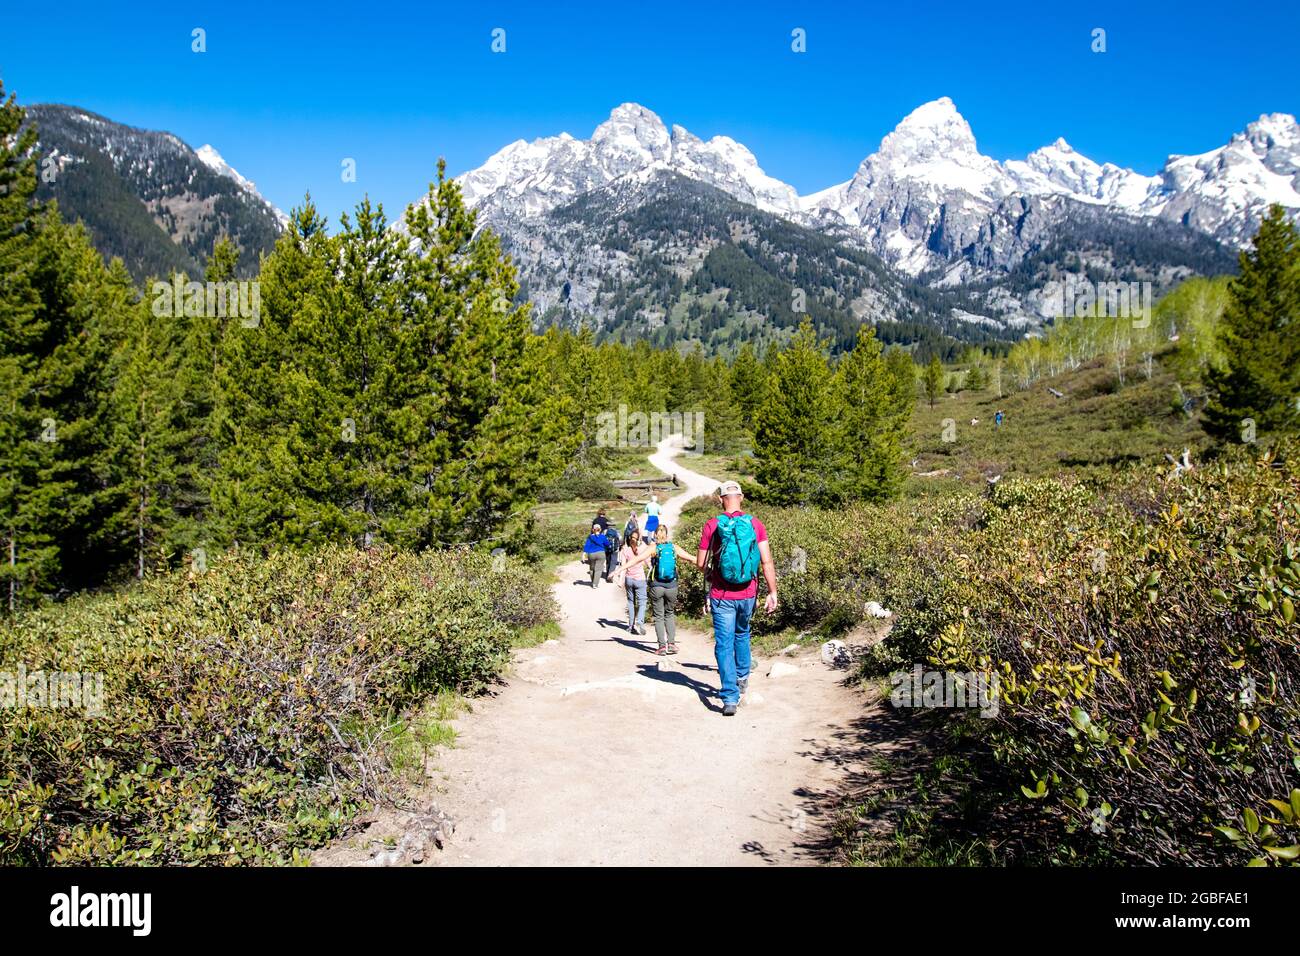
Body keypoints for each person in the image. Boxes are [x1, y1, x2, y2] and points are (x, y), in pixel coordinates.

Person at [695, 480, 778, 717]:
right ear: (741, 497)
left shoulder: (712, 525)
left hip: (721, 595)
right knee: (742, 634)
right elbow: (766, 561)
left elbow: (701, 563)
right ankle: (743, 679)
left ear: (721, 499)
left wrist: (711, 573)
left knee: (723, 643)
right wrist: (773, 592)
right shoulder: (755, 524)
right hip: (748, 593)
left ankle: (729, 697)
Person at [621, 524, 693, 655]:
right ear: (667, 535)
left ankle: (661, 647)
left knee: (659, 616)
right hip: (672, 586)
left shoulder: (653, 548)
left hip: (657, 586)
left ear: (655, 535)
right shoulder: (674, 547)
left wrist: (619, 570)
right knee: (669, 614)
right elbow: (692, 558)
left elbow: (637, 559)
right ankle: (671, 644)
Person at [615, 528, 649, 636]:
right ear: (639, 539)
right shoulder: (643, 548)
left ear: (629, 538)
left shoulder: (625, 549)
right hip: (640, 579)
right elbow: (649, 564)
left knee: (631, 602)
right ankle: (640, 621)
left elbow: (623, 567)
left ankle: (630, 626)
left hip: (629, 580)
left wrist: (621, 581)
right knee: (642, 602)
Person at [581, 524, 608, 588]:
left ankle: (593, 581)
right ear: (600, 529)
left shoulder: (590, 537)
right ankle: (595, 584)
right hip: (601, 553)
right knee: (598, 569)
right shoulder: (603, 536)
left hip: (591, 554)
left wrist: (584, 554)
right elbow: (607, 544)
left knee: (592, 568)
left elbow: (587, 546)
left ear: (593, 530)